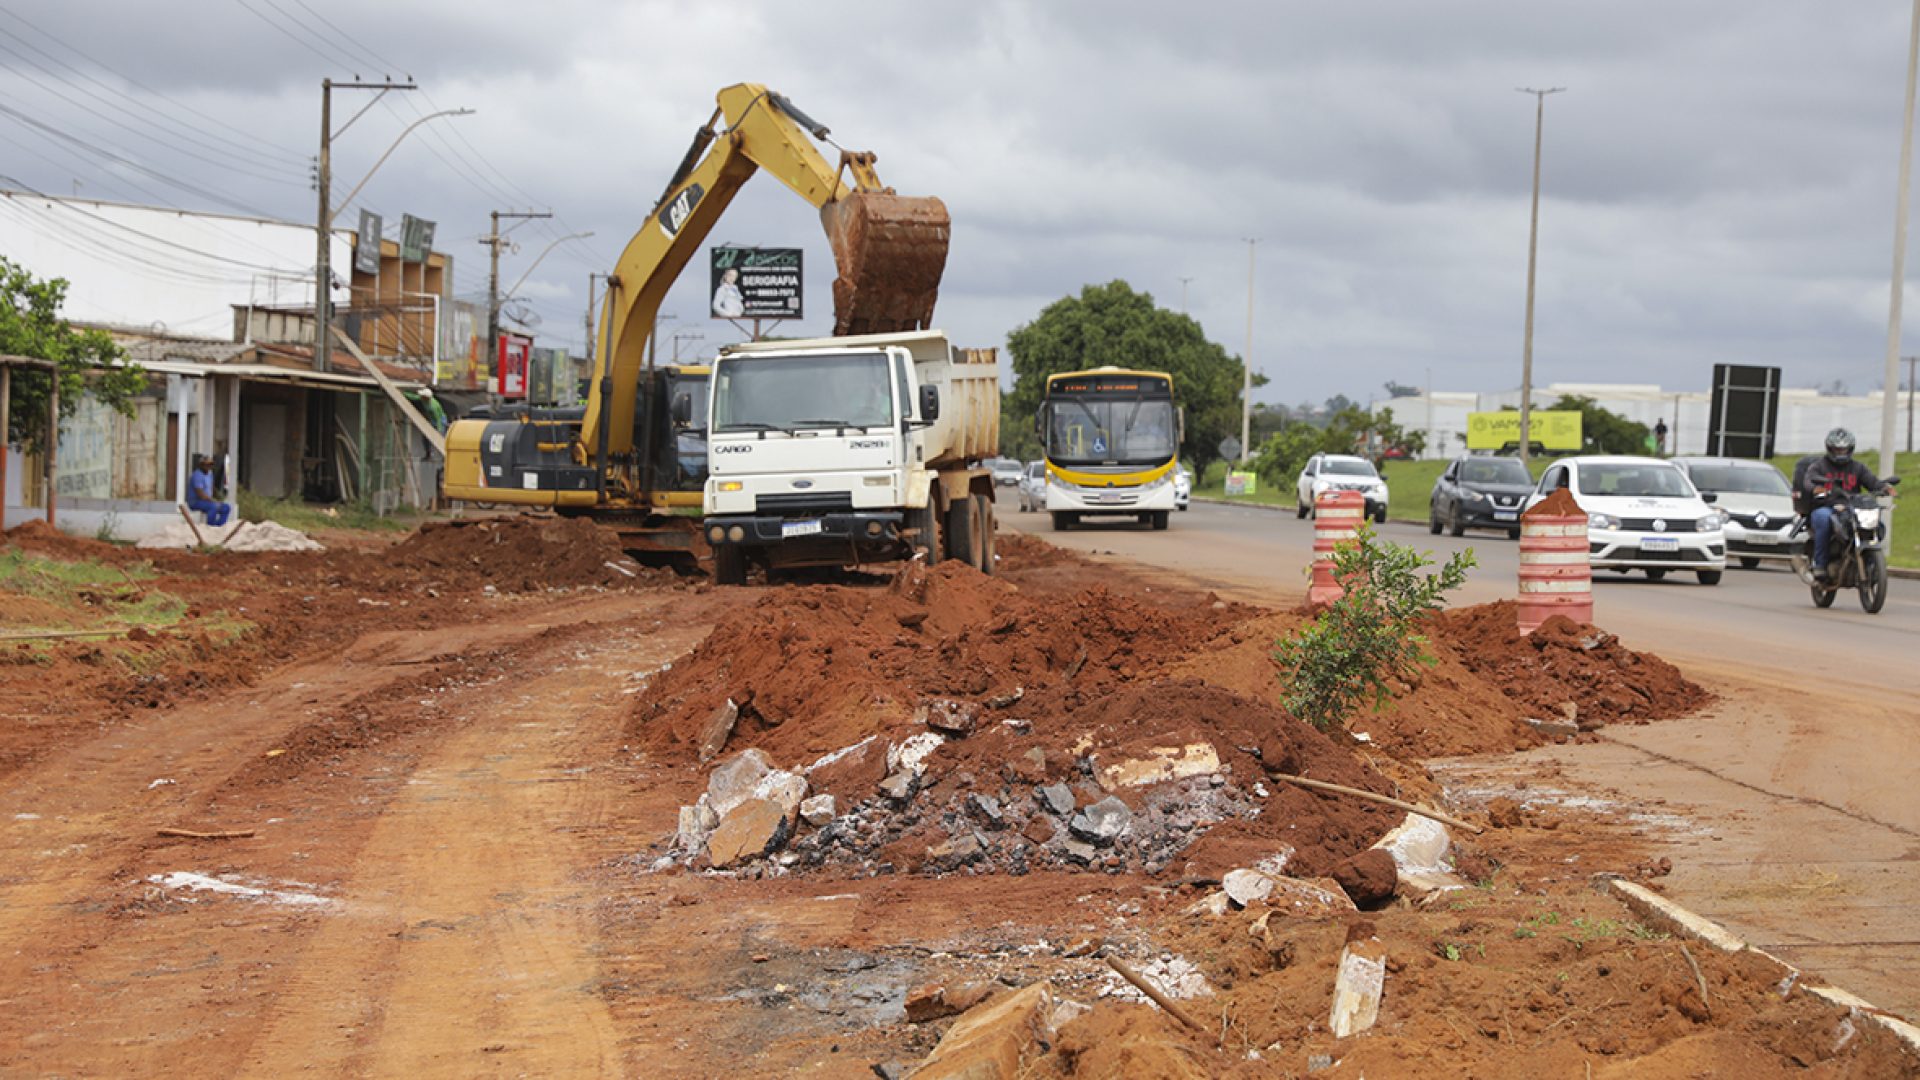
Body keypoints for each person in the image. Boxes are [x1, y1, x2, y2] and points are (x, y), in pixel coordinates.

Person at [1801, 427, 1891, 581]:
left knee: (1873, 522)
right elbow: (1809, 481)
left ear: (1850, 449)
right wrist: (1816, 489)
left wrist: (1883, 488)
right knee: (1823, 519)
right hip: (1826, 506)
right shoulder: (1820, 466)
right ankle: (1820, 564)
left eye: (1844, 450)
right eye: (1837, 450)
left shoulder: (1858, 467)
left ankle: (1868, 560)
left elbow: (1871, 482)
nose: (1840, 453)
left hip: (1851, 507)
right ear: (1830, 449)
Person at [187, 454, 232, 527]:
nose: (209, 467)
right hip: (196, 502)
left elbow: (211, 488)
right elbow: (200, 494)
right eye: (207, 464)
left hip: (208, 501)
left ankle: (219, 526)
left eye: (211, 464)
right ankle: (210, 526)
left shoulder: (209, 474)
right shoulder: (197, 475)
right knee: (213, 507)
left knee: (226, 507)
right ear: (201, 465)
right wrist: (212, 500)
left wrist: (218, 496)